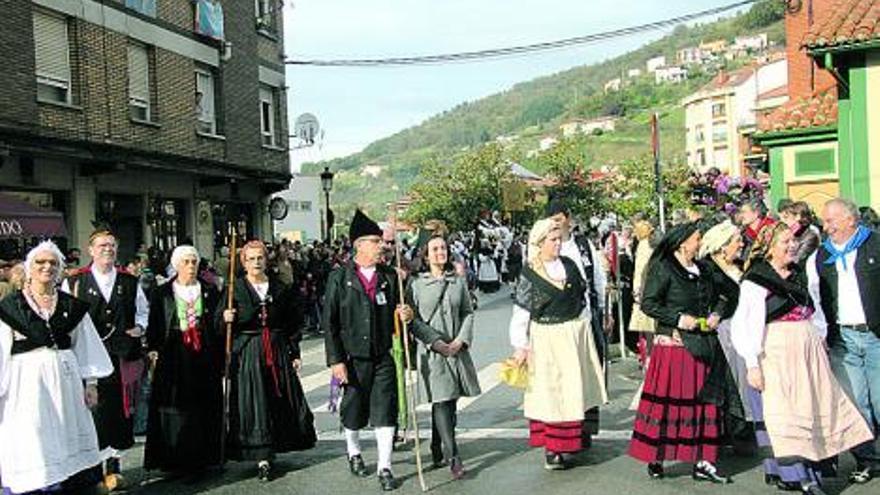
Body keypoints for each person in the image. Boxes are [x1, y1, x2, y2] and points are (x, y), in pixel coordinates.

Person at [733, 222, 874, 494]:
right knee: (787, 413)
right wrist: (752, 364)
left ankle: (815, 468)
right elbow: (745, 325)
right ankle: (800, 476)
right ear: (770, 247)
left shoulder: (798, 274)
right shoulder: (756, 280)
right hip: (777, 351)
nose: (792, 245)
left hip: (807, 348)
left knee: (814, 407)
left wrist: (820, 337)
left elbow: (814, 309)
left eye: (793, 240)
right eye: (785, 241)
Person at [627, 222, 742, 484]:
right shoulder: (664, 267)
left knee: (704, 404)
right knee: (668, 406)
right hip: (675, 347)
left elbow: (732, 292)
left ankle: (704, 460)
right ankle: (657, 455)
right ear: (683, 242)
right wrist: (679, 319)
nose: (700, 242)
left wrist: (717, 313)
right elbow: (649, 303)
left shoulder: (704, 267)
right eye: (697, 238)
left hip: (703, 345)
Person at [0, 241, 113, 494]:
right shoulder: (9, 307)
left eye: (53, 262)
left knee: (67, 433)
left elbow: (85, 345)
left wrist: (91, 382)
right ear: (30, 268)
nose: (47, 267)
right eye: (40, 262)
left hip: (66, 386)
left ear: (60, 268)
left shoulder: (70, 306)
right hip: (25, 389)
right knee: (35, 436)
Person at [323, 209, 414, 491]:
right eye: (376, 241)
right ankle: (354, 452)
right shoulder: (339, 278)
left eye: (382, 242)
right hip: (351, 357)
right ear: (359, 244)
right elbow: (330, 323)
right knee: (353, 410)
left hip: (383, 354)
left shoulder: (390, 277)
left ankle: (384, 467)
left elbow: (405, 312)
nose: (382, 246)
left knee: (385, 410)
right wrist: (336, 360)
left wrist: (406, 313)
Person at [508, 218, 607, 470]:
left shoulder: (570, 266)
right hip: (547, 338)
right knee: (552, 394)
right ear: (539, 243)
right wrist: (520, 346)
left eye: (558, 239)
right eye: (552, 240)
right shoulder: (531, 274)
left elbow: (582, 298)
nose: (557, 244)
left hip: (574, 334)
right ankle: (553, 449)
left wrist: (586, 328)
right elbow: (521, 313)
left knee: (575, 390)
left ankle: (577, 438)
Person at [219, 240, 317, 481]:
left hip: (276, 349)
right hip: (248, 351)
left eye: (260, 258)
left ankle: (274, 447)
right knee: (254, 401)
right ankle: (259, 454)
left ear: (266, 260)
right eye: (251, 259)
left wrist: (294, 353)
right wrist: (225, 318)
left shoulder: (280, 288)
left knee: (276, 397)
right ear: (243, 262)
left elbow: (293, 324)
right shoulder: (234, 288)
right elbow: (218, 326)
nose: (256, 263)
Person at [62, 229, 150, 491]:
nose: (107, 250)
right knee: (93, 410)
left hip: (120, 356)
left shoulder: (129, 281)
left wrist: (140, 329)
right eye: (102, 245)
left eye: (111, 245)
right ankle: (93, 469)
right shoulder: (76, 281)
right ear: (91, 250)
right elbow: (65, 317)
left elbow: (143, 311)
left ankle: (114, 464)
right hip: (88, 358)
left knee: (120, 411)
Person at [808, 198, 880, 483]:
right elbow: (814, 297)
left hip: (874, 334)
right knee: (855, 403)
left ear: (851, 220)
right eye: (825, 221)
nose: (826, 227)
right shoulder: (820, 256)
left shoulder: (874, 244)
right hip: (843, 338)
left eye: (831, 221)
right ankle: (868, 459)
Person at [143, 245, 223, 475]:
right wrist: (153, 349)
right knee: (176, 405)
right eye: (186, 262)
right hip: (174, 354)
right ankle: (175, 458)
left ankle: (206, 456)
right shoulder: (163, 292)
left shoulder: (209, 289)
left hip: (203, 353)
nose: (191, 266)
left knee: (204, 402)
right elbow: (155, 324)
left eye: (194, 262)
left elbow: (216, 323)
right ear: (176, 265)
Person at [408, 233, 481, 480]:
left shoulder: (457, 281)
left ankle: (438, 444)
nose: (440, 252)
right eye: (435, 249)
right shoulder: (416, 284)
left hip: (456, 348)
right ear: (426, 255)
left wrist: (460, 339)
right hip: (433, 351)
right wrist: (436, 342)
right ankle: (454, 457)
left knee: (450, 402)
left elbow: (468, 312)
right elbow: (412, 319)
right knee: (441, 400)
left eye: (443, 248)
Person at [546, 199, 607, 446]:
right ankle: (567, 429)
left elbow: (598, 278)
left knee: (590, 372)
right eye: (553, 223)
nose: (557, 227)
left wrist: (603, 309)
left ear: (568, 220)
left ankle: (586, 427)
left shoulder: (582, 246)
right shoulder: (545, 250)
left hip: (588, 317)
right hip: (561, 324)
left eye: (560, 221)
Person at [697, 220, 750, 418]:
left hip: (740, 333)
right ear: (722, 245)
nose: (742, 244)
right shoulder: (708, 269)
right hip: (722, 334)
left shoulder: (739, 268)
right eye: (738, 241)